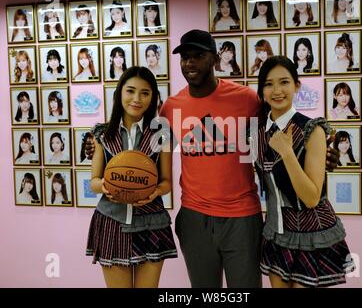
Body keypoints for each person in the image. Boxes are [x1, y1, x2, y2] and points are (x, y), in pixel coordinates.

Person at [84, 30, 339, 288]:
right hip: (195, 217)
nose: (190, 62)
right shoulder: (170, 108)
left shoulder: (247, 99)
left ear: (215, 59)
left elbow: (279, 127)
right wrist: (94, 147)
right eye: (185, 57)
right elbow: (144, 153)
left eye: (199, 55)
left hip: (242, 216)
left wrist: (319, 151)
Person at [255, 55, 354, 288]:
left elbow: (310, 197)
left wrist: (288, 153)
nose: (277, 90)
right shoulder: (257, 133)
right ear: (261, 91)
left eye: (284, 82)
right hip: (276, 233)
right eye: (268, 84)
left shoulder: (312, 129)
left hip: (312, 234)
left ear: (297, 86)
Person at [86, 66, 177, 288]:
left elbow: (166, 183)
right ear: (119, 94)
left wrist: (154, 191)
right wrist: (107, 186)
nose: (137, 99)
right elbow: (94, 181)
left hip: (151, 223)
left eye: (145, 93)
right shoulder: (102, 134)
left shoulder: (161, 134)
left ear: (153, 98)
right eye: (130, 91)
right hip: (112, 223)